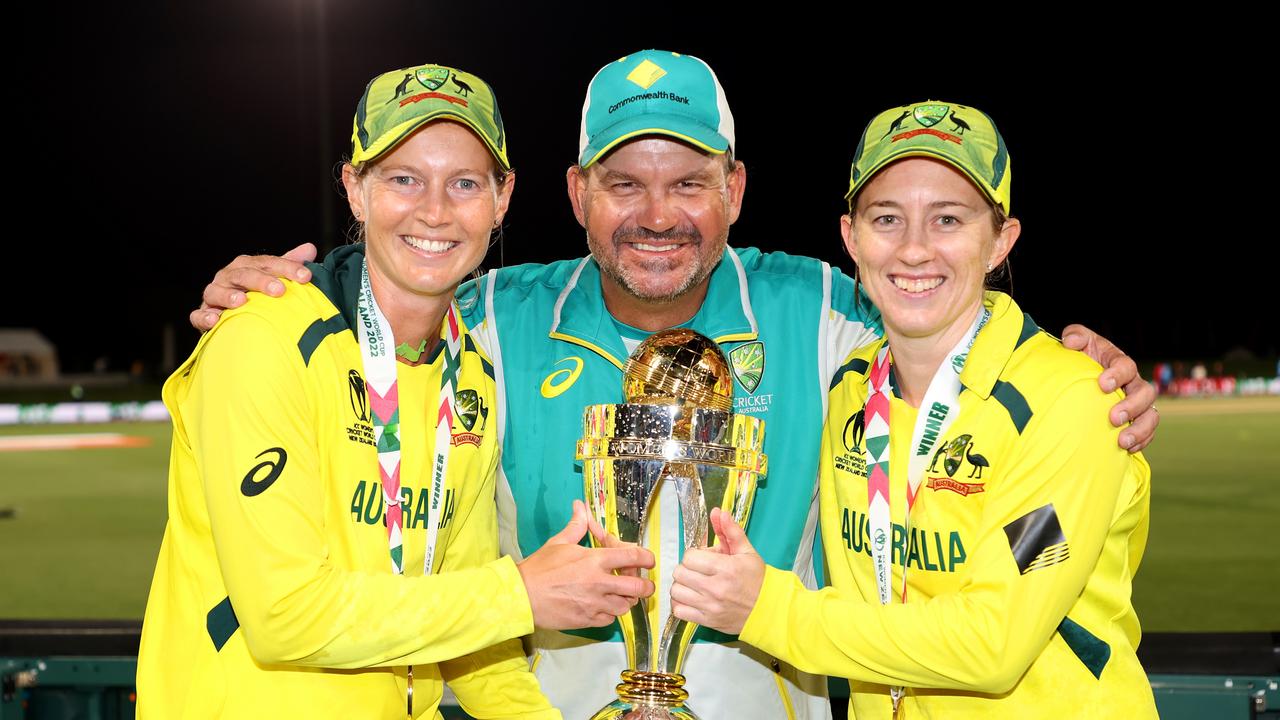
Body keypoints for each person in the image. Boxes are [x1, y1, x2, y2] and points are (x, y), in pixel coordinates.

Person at [191, 52, 1159, 718]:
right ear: (573, 195)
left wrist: (1085, 368)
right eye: (623, 183)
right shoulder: (491, 317)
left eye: (688, 181)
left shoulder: (823, 312)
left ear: (734, 190)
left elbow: (944, 306)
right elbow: (392, 288)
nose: (657, 214)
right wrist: (288, 289)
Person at [137, 63, 653, 719]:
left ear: (503, 198)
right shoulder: (263, 339)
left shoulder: (470, 381)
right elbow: (283, 615)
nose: (435, 211)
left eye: (464, 183)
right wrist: (518, 593)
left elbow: (473, 647)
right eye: (405, 179)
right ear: (356, 189)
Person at [670, 101, 1158, 718]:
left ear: (999, 241)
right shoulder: (849, 390)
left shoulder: (1074, 403)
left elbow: (993, 643)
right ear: (851, 237)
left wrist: (769, 609)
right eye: (887, 219)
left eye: (948, 219)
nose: (915, 250)